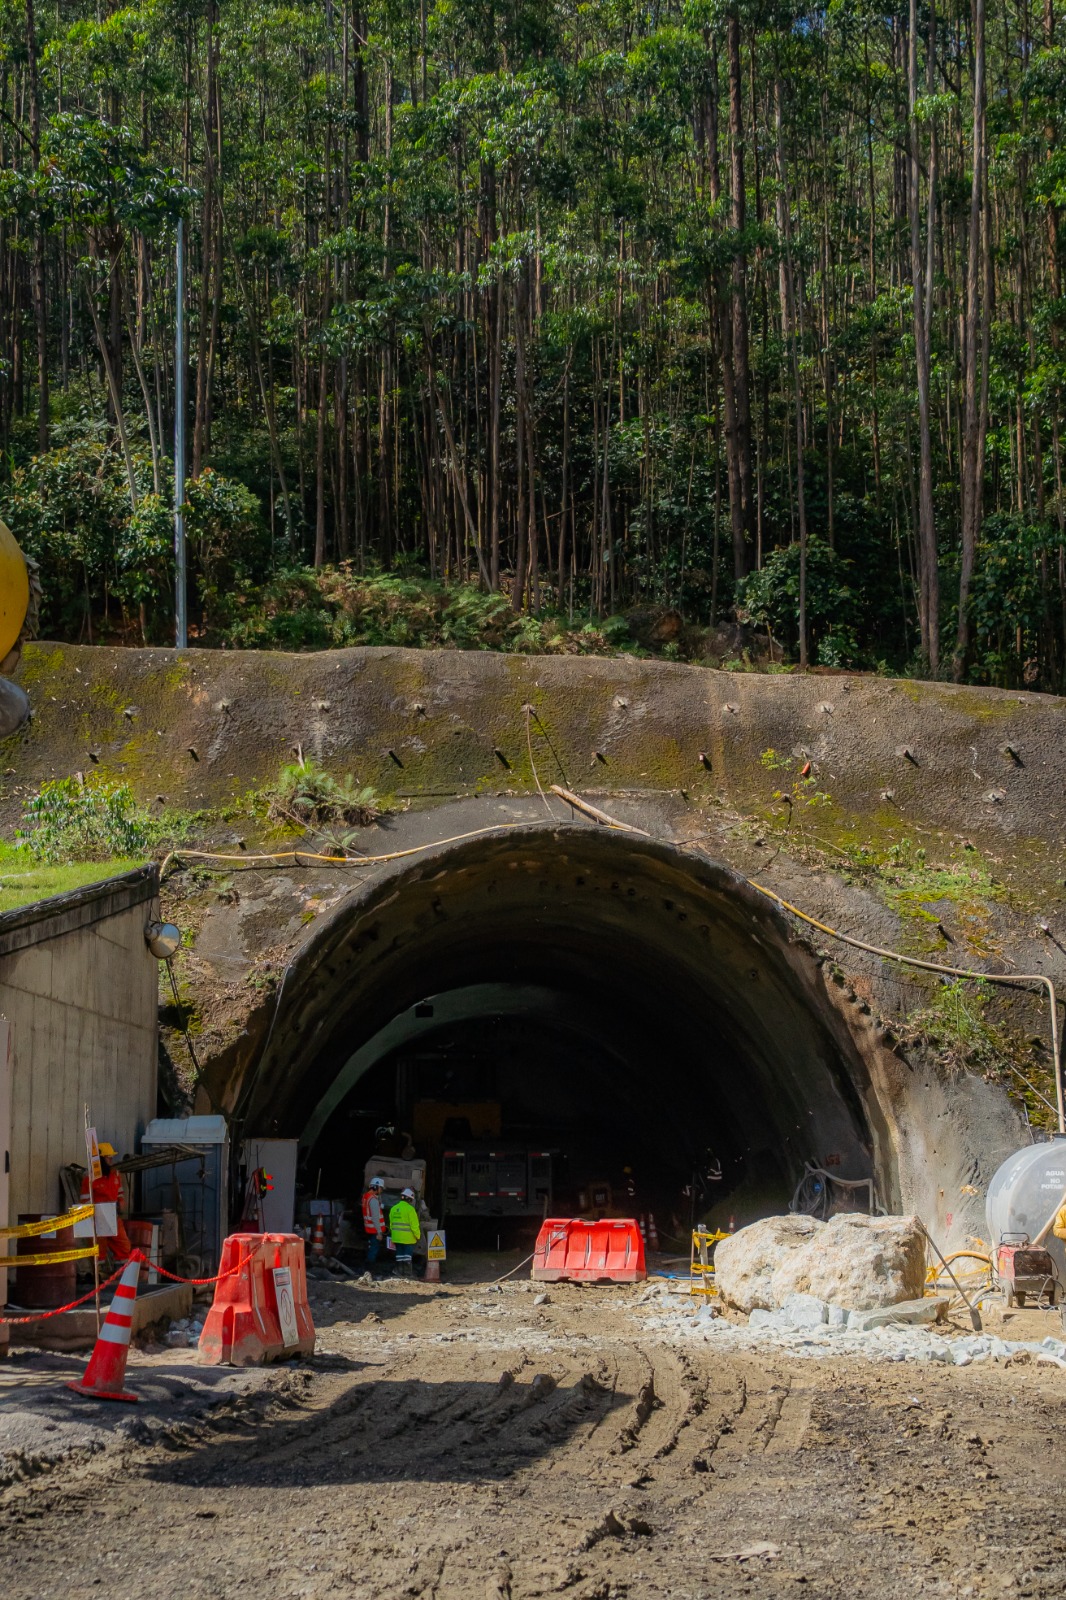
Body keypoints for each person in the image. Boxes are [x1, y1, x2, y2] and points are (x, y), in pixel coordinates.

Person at [79, 1143, 131, 1263]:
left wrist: (120, 1204)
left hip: (113, 1217)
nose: (111, 1161)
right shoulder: (89, 1178)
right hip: (98, 1220)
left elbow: (120, 1194)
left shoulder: (115, 1174)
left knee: (124, 1247)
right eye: (109, 1158)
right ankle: (100, 1271)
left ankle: (122, 1271)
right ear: (101, 1159)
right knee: (98, 1251)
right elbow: (85, 1201)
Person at [389, 1186, 421, 1278]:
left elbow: (391, 1225)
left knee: (399, 1255)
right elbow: (414, 1226)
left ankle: (399, 1272)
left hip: (396, 1238)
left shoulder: (393, 1208)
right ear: (410, 1199)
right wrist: (418, 1236)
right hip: (408, 1239)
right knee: (407, 1256)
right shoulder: (410, 1210)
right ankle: (407, 1274)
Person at [361, 1176, 388, 1272]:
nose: (381, 1190)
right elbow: (375, 1218)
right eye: (381, 1188)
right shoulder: (373, 1200)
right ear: (376, 1187)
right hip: (374, 1229)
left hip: (369, 1228)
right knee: (374, 1249)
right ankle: (369, 1270)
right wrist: (379, 1232)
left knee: (371, 1247)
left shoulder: (366, 1197)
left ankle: (367, 1268)